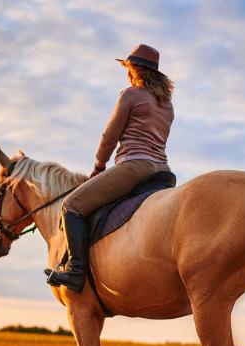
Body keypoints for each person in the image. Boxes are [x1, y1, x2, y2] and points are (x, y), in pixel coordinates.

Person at [46, 44, 175, 293]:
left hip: (135, 166)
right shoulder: (167, 104)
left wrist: (98, 166)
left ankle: (75, 271)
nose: (127, 72)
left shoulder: (130, 94)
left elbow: (110, 136)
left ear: (134, 69)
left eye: (128, 68)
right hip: (164, 172)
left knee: (71, 206)